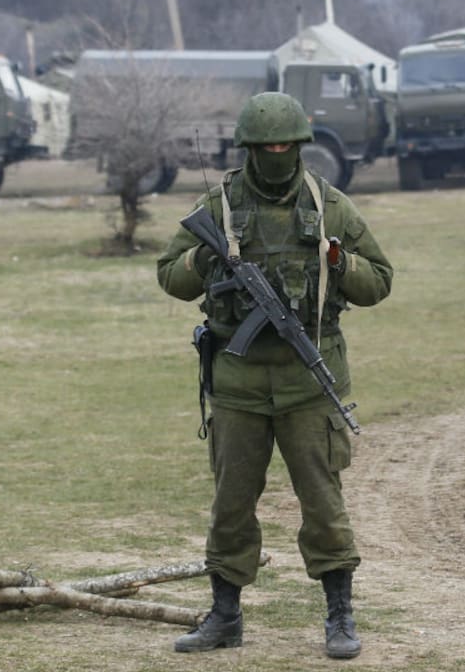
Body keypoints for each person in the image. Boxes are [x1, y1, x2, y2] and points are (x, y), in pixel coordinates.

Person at [156, 92, 393, 658]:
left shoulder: (329, 206)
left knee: (323, 504)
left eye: (286, 145)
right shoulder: (219, 206)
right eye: (266, 146)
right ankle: (225, 615)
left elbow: (379, 281)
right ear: (250, 149)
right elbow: (170, 274)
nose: (276, 154)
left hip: (310, 384)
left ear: (301, 146)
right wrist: (206, 261)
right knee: (231, 504)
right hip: (237, 384)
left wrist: (339, 263)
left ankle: (339, 616)